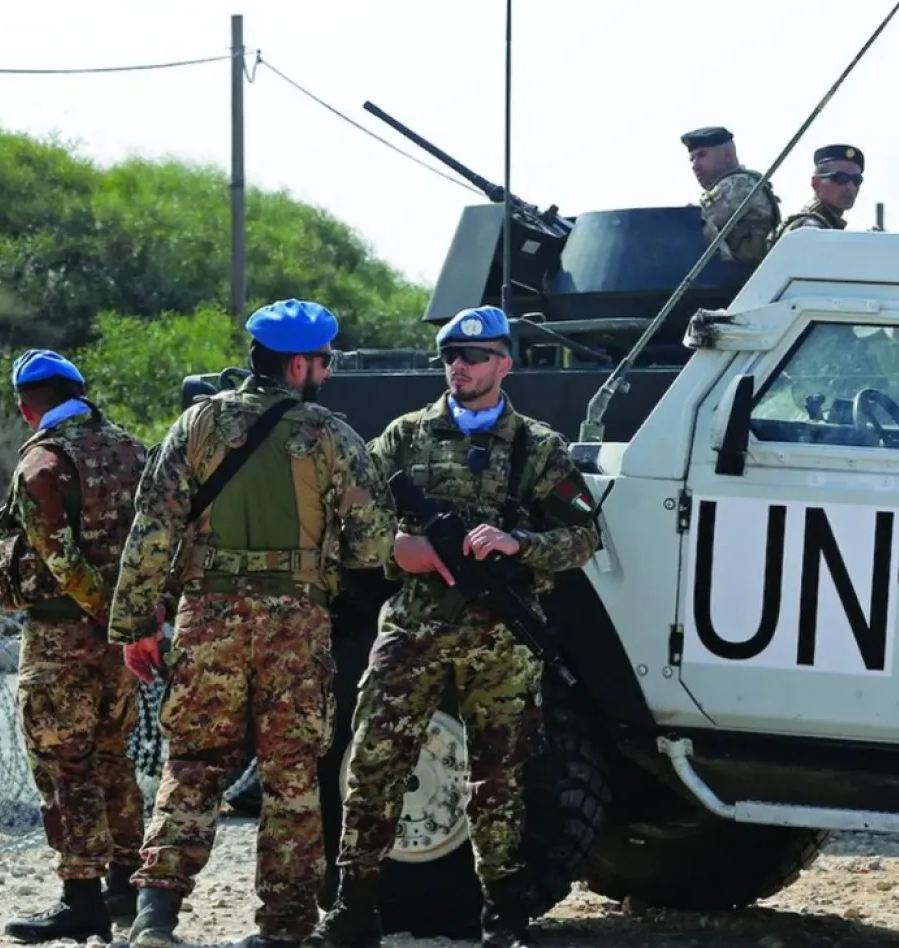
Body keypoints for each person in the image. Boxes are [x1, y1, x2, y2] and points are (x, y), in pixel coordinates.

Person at [308, 306, 602, 948]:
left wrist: (518, 543)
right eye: (451, 357)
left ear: (505, 363)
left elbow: (584, 536)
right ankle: (353, 909)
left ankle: (502, 917)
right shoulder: (404, 437)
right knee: (373, 767)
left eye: (475, 357)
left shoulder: (539, 448)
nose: (460, 367)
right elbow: (346, 521)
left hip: (499, 638)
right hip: (412, 629)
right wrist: (396, 550)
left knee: (499, 780)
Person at [108, 299, 396, 948]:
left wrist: (136, 626)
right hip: (294, 623)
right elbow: (373, 545)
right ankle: (284, 928)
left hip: (206, 617)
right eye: (323, 360)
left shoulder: (195, 424)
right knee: (291, 772)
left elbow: (150, 529)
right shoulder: (328, 434)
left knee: (193, 763)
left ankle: (155, 915)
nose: (326, 370)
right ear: (298, 365)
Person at [0, 349, 151, 944]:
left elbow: (58, 556)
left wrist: (103, 611)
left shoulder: (44, 460)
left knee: (64, 765)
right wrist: (133, 619)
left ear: (27, 407)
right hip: (124, 638)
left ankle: (81, 900)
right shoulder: (133, 449)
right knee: (113, 757)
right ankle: (127, 890)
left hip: (62, 635)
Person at [681, 125, 781, 263]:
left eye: (701, 155)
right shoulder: (742, 182)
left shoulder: (738, 183)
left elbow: (696, 222)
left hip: (744, 276)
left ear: (727, 155)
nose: (695, 165)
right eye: (692, 159)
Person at [773, 144, 866, 239]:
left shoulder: (826, 228)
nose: (850, 187)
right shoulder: (809, 229)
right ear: (816, 183)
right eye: (841, 178)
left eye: (856, 180)